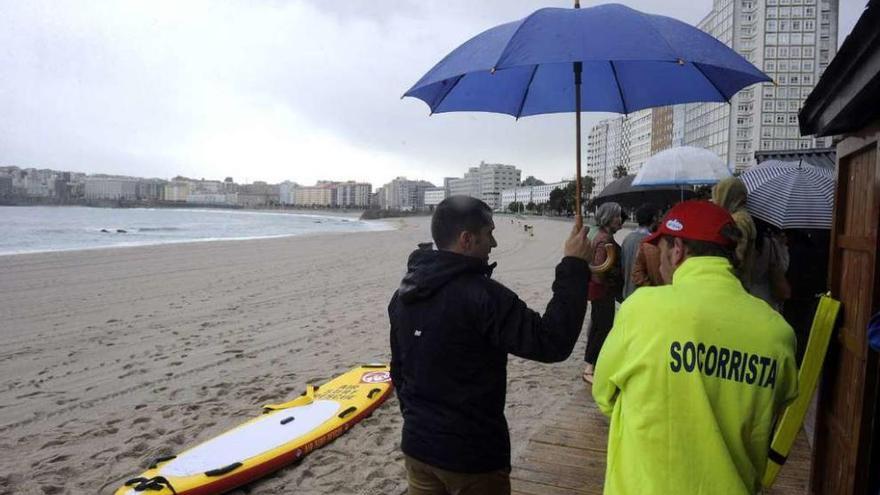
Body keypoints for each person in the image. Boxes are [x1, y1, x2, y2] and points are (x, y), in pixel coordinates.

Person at [389, 196, 593, 495]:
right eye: (489, 233)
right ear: (467, 239)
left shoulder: (405, 293)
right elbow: (552, 342)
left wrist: (417, 420)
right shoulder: (484, 297)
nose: (494, 243)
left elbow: (399, 370)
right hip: (471, 458)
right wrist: (574, 265)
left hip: (418, 447)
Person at [592, 200, 798, 495]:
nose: (660, 262)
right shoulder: (777, 332)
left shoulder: (641, 309)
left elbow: (604, 396)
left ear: (677, 250)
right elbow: (780, 401)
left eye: (660, 251)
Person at [583, 202, 623, 384]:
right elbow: (599, 268)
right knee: (602, 327)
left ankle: (592, 365)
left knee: (599, 326)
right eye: (617, 217)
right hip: (602, 291)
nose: (620, 220)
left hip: (598, 290)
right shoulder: (605, 239)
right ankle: (590, 367)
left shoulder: (598, 235)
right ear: (608, 218)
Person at [713, 177, 757, 286]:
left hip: (734, 283)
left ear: (726, 195)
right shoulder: (740, 216)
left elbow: (737, 257)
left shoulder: (738, 220)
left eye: (718, 193)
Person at [749, 218, 791, 312]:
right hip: (767, 298)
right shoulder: (772, 244)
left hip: (747, 293)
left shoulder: (746, 241)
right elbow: (783, 267)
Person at [620, 204, 658, 300]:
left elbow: (623, 268)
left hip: (628, 294)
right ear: (654, 219)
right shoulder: (651, 242)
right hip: (645, 297)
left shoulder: (627, 239)